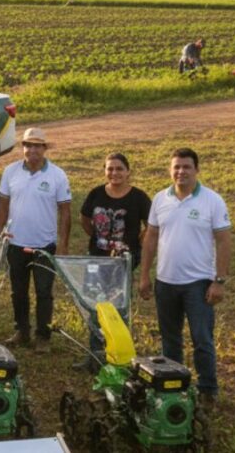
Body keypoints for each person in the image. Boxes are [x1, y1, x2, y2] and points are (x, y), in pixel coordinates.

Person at [139, 148, 231, 411]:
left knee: (202, 338)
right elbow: (151, 238)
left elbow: (224, 241)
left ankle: (207, 390)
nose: (180, 172)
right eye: (176, 167)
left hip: (198, 283)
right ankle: (174, 386)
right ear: (171, 170)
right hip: (165, 282)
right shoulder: (160, 199)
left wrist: (219, 281)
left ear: (196, 170)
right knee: (170, 339)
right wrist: (145, 275)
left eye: (186, 167)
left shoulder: (212, 201)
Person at [0, 127, 71, 351]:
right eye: (28, 145)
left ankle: (43, 336)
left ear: (44, 149)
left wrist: (63, 245)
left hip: (44, 245)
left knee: (44, 292)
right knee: (18, 290)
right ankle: (22, 331)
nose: (32, 149)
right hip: (16, 242)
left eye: (37, 145)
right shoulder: (10, 171)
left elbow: (65, 210)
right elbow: (3, 205)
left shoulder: (57, 175)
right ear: (23, 148)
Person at [75, 153, 151, 372]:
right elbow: (85, 218)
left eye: (119, 169)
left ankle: (118, 357)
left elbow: (151, 225)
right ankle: (95, 356)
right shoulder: (96, 193)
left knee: (118, 307)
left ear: (128, 172)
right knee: (95, 305)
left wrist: (137, 243)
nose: (114, 173)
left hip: (123, 261)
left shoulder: (138, 197)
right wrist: (100, 241)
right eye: (110, 169)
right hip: (97, 258)